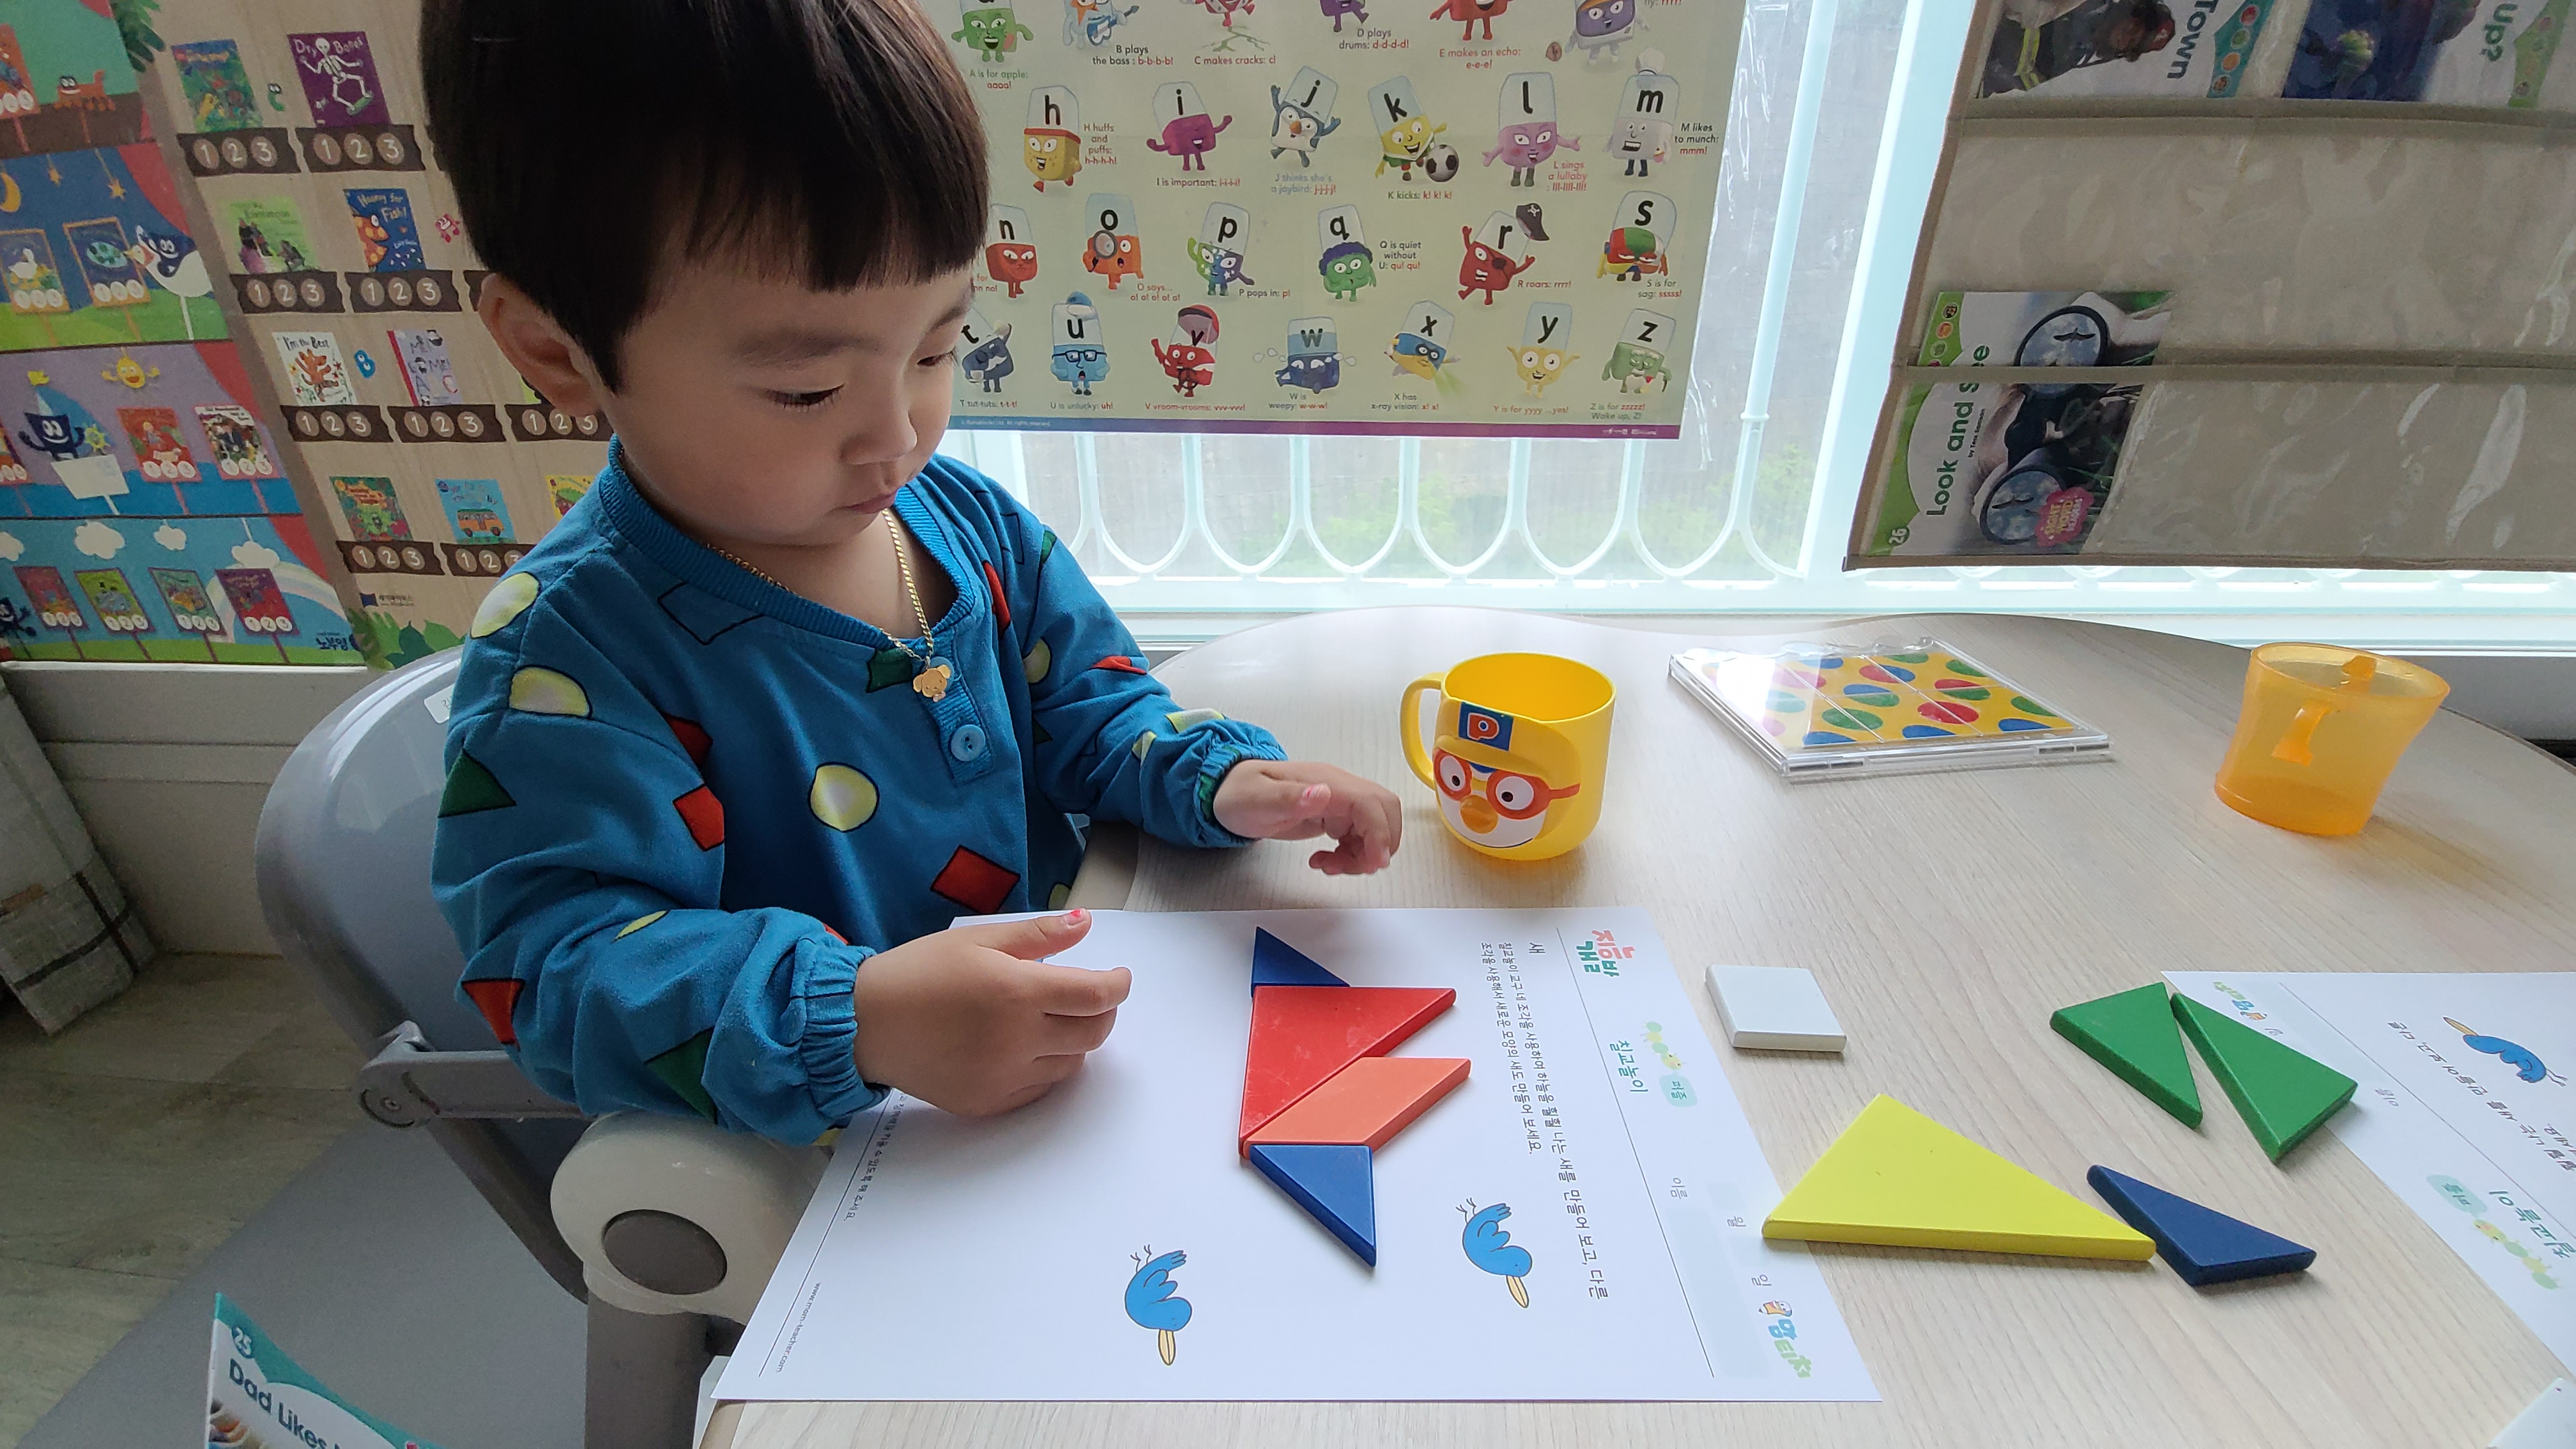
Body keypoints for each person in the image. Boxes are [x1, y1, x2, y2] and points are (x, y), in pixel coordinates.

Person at [421, 0, 1402, 1143]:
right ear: (557, 351)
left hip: (1070, 1082)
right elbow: (557, 977)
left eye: (937, 349)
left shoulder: (962, 520)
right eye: (805, 390)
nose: (898, 436)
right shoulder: (569, 658)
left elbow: (1091, 708)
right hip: (843, 1154)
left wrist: (1216, 780)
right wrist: (858, 1021)